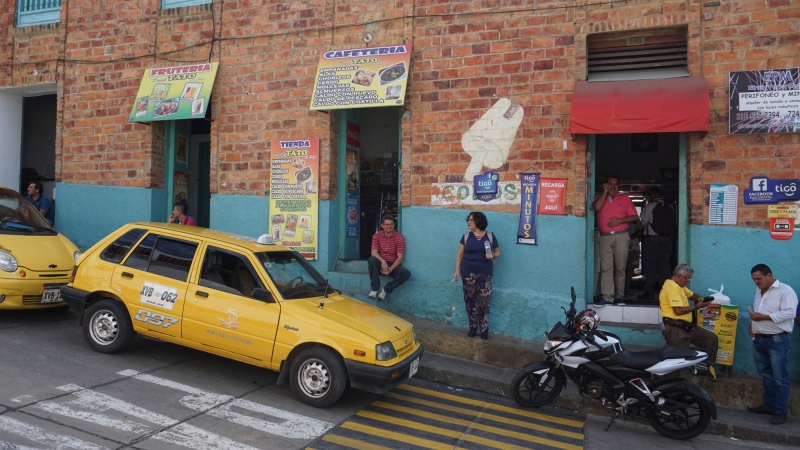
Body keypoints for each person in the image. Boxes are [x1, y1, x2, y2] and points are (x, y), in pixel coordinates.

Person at [746, 264, 797, 425]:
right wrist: (753, 325)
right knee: (767, 376)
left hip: (777, 340)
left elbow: (791, 313)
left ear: (769, 275)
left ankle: (781, 412)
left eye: (759, 278)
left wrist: (764, 317)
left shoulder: (785, 290)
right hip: (760, 339)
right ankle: (769, 406)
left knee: (780, 378)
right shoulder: (758, 291)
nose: (756, 282)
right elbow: (758, 311)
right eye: (754, 279)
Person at [659, 263, 718, 380]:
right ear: (677, 275)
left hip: (686, 327)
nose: (688, 281)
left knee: (711, 339)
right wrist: (697, 306)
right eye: (687, 278)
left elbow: (692, 295)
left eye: (690, 278)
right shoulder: (672, 286)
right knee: (675, 363)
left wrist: (700, 298)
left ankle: (704, 368)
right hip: (675, 328)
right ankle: (669, 389)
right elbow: (678, 311)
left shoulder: (679, 286)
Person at [453, 211, 501, 340]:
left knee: (484, 301)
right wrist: (457, 271)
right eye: (468, 220)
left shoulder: (490, 236)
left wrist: (492, 255)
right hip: (468, 272)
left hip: (485, 273)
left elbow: (498, 252)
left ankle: (484, 328)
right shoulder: (466, 236)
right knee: (470, 300)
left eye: (471, 220)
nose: (468, 222)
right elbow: (460, 255)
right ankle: (473, 326)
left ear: (478, 221)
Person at [592, 175, 638, 307]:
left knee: (620, 268)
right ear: (605, 185)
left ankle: (619, 297)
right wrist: (605, 192)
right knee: (606, 268)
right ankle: (607, 297)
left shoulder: (624, 198)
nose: (613, 186)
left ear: (619, 186)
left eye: (616, 184)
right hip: (605, 236)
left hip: (621, 236)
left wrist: (620, 220)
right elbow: (597, 207)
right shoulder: (599, 197)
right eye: (610, 184)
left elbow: (634, 217)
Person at [638, 187, 673, 300]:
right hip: (667, 240)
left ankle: (649, 291)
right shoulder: (670, 206)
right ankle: (666, 292)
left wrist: (636, 232)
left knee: (650, 265)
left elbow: (642, 223)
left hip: (652, 240)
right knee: (665, 266)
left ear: (652, 195)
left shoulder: (650, 206)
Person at [368, 214, 410, 301]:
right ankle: (375, 289)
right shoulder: (377, 236)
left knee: (406, 273)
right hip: (380, 264)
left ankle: (385, 290)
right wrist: (383, 261)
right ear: (382, 225)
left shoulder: (399, 237)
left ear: (394, 225)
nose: (389, 226)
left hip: (393, 265)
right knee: (372, 260)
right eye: (386, 224)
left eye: (391, 224)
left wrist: (390, 269)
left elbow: (400, 258)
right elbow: (374, 252)